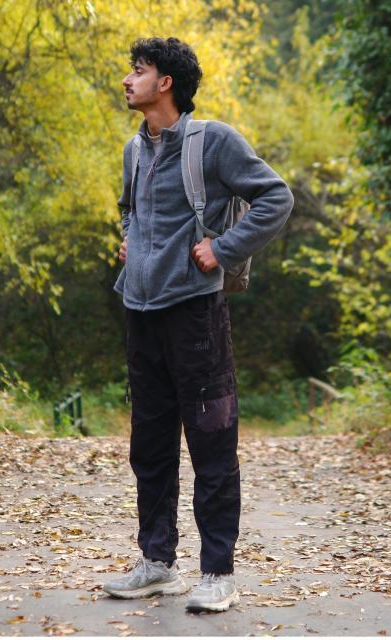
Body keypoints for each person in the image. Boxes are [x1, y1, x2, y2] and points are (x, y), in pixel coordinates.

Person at [103, 36, 294, 613]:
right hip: (141, 313)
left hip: (195, 314)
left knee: (212, 444)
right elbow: (130, 210)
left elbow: (274, 197)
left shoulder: (212, 141)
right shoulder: (133, 151)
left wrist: (223, 247)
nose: (128, 80)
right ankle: (158, 563)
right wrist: (130, 243)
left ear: (165, 84)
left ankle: (217, 573)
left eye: (138, 71)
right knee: (150, 446)